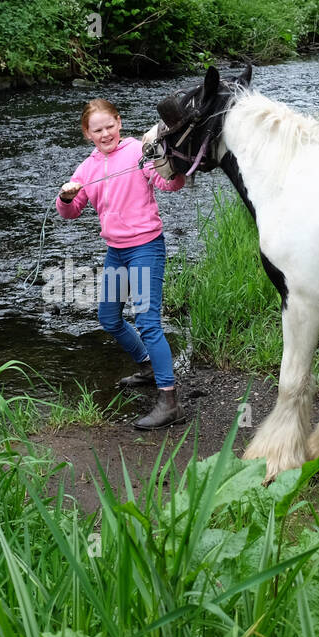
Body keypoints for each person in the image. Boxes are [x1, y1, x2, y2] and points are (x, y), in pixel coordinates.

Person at [57, 98, 187, 429]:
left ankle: (169, 400)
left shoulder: (136, 152)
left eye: (110, 126)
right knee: (110, 318)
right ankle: (147, 365)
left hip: (145, 247)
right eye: (97, 129)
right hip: (116, 251)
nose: (105, 134)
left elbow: (168, 184)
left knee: (147, 321)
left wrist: (173, 166)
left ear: (119, 122)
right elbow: (70, 213)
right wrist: (66, 197)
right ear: (87, 133)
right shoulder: (86, 168)